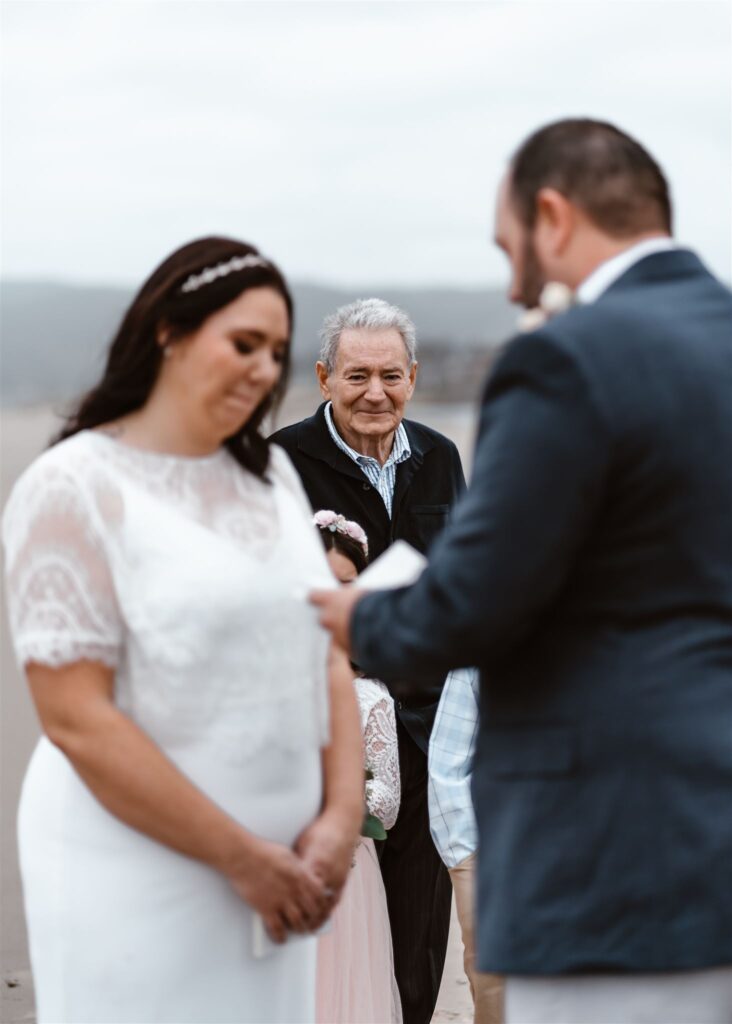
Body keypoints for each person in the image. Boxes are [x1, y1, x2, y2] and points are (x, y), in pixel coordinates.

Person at [311, 119, 732, 1024]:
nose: (511, 283)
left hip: (610, 846)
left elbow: (478, 603)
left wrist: (352, 616)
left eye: (511, 248)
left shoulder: (565, 361)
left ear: (553, 215)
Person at [2, 236, 364, 1024]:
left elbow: (325, 650)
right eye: (244, 344)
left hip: (288, 883)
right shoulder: (71, 487)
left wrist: (337, 821)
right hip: (139, 871)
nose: (266, 370)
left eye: (277, 352)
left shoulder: (268, 477)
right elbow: (77, 719)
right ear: (168, 331)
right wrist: (243, 859)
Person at [271, 297, 466, 1024]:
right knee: (329, 941)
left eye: (391, 375)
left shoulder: (441, 458)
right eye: (356, 376)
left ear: (413, 377)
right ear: (324, 377)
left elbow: (461, 587)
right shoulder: (281, 466)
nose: (375, 393)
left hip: (425, 735)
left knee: (418, 943)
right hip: (324, 743)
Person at [313, 510, 402, 1024]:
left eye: (345, 585)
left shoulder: (370, 696)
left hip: (346, 874)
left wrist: (336, 806)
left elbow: (387, 802)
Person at [428, 668, 503, 1024]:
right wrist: (467, 856)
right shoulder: (486, 632)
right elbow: (448, 764)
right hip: (493, 855)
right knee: (496, 995)